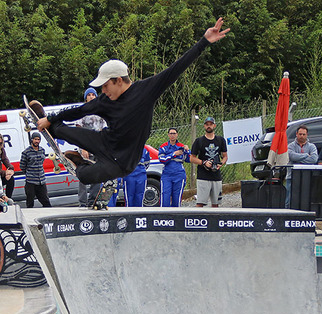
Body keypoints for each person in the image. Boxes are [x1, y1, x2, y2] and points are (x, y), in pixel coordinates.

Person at [33, 18, 230, 185]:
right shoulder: (104, 101)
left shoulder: (146, 91)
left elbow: (176, 69)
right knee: (61, 130)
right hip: (104, 141)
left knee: (84, 177)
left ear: (119, 80)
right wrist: (50, 119)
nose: (103, 91)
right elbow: (81, 110)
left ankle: (80, 164)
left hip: (121, 162)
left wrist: (204, 41)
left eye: (105, 86)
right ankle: (46, 122)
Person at [76, 87, 107, 207]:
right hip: (85, 145)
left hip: (98, 146)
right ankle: (82, 202)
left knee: (97, 174)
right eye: (88, 95)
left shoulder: (101, 111)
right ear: (85, 98)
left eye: (93, 95)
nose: (91, 97)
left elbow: (105, 129)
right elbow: (78, 131)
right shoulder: (82, 111)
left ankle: (93, 200)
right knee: (83, 174)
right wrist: (83, 147)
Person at [190, 116, 228, 207]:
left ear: (214, 125)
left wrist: (220, 164)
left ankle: (214, 221)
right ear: (204, 126)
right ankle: (197, 219)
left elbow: (225, 156)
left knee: (216, 204)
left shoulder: (220, 140)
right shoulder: (199, 141)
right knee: (200, 203)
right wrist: (204, 162)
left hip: (216, 175)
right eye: (207, 124)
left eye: (211, 124)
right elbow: (192, 158)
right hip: (203, 176)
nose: (209, 126)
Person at [285, 125, 317, 208]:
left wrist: (297, 159)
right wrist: (306, 155)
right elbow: (291, 156)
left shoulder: (312, 146)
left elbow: (314, 159)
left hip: (307, 177)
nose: (302, 136)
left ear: (307, 135)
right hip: (291, 177)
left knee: (306, 199)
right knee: (289, 199)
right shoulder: (290, 146)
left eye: (303, 134)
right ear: (296, 134)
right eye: (300, 134)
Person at [157, 128, 189, 207]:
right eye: (171, 133)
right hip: (167, 175)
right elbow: (162, 159)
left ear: (177, 135)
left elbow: (188, 159)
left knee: (177, 198)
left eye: (174, 133)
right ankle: (164, 216)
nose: (172, 135)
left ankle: (176, 217)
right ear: (168, 135)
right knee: (165, 197)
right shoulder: (163, 147)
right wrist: (173, 154)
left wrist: (188, 151)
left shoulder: (181, 146)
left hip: (179, 175)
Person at [21, 132, 51, 207]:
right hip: (31, 181)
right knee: (30, 202)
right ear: (32, 140)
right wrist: (29, 173)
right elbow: (22, 166)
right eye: (35, 139)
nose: (37, 141)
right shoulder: (26, 152)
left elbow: (42, 162)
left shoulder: (42, 150)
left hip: (41, 181)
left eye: (38, 139)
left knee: (46, 201)